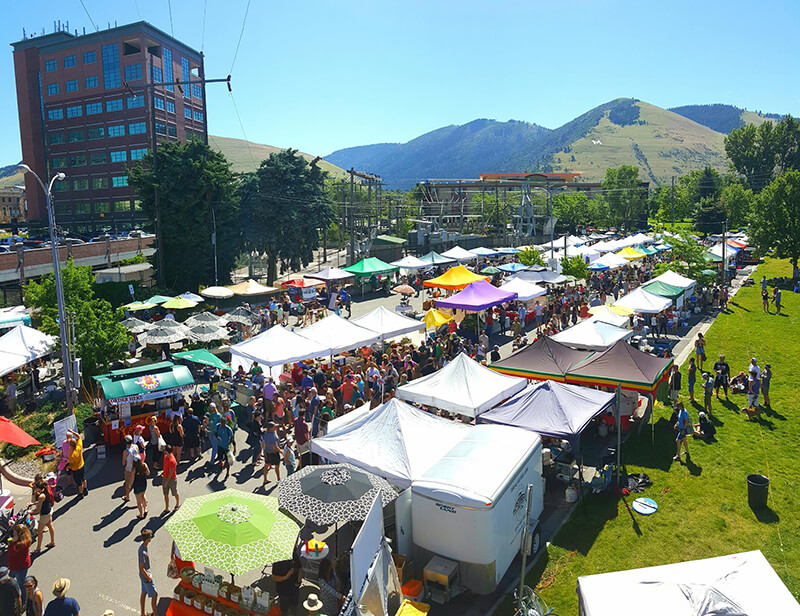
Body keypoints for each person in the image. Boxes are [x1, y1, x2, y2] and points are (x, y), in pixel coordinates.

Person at [31, 476, 55, 552]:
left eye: (36, 488)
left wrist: (30, 512)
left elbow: (37, 511)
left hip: (44, 515)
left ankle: (38, 548)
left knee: (39, 531)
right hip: (49, 511)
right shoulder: (46, 491)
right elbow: (42, 502)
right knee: (50, 526)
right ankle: (52, 542)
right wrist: (33, 503)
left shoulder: (41, 496)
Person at [138, 530, 157, 616]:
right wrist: (148, 577)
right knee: (155, 595)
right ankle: (155, 614)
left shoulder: (142, 547)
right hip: (146, 576)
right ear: (147, 539)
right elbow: (141, 568)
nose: (151, 538)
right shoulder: (143, 552)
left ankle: (143, 613)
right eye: (150, 536)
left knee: (144, 593)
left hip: (143, 576)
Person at [8, 523, 32, 591]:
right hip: (17, 565)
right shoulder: (25, 541)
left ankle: (23, 597)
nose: (13, 535)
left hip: (19, 567)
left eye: (15, 534)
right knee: (11, 577)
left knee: (20, 583)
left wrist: (11, 544)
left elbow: (12, 553)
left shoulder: (20, 545)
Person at [65, 429, 87, 499]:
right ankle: (85, 489)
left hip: (76, 469)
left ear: (70, 446)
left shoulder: (71, 455)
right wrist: (72, 432)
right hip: (82, 466)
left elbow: (71, 465)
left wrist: (67, 467)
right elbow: (79, 437)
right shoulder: (79, 447)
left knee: (79, 482)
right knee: (83, 478)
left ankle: (81, 494)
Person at [215, 415, 234, 481]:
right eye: (221, 422)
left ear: (225, 422)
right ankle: (221, 464)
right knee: (220, 458)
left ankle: (227, 472)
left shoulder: (228, 429)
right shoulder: (217, 426)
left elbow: (232, 436)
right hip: (219, 446)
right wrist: (217, 437)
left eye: (224, 422)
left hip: (226, 447)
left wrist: (230, 443)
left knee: (228, 461)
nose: (222, 424)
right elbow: (215, 433)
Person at [162, 444, 179, 513]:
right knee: (165, 494)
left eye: (165, 451)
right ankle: (167, 508)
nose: (164, 452)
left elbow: (171, 473)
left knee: (174, 493)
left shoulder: (172, 461)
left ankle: (177, 504)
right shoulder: (165, 456)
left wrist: (166, 481)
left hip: (171, 479)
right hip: (165, 477)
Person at [122, 435, 139, 502]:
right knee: (134, 481)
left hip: (129, 468)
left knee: (127, 484)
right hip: (135, 467)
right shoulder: (136, 446)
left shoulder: (126, 451)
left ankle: (127, 497)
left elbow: (123, 463)